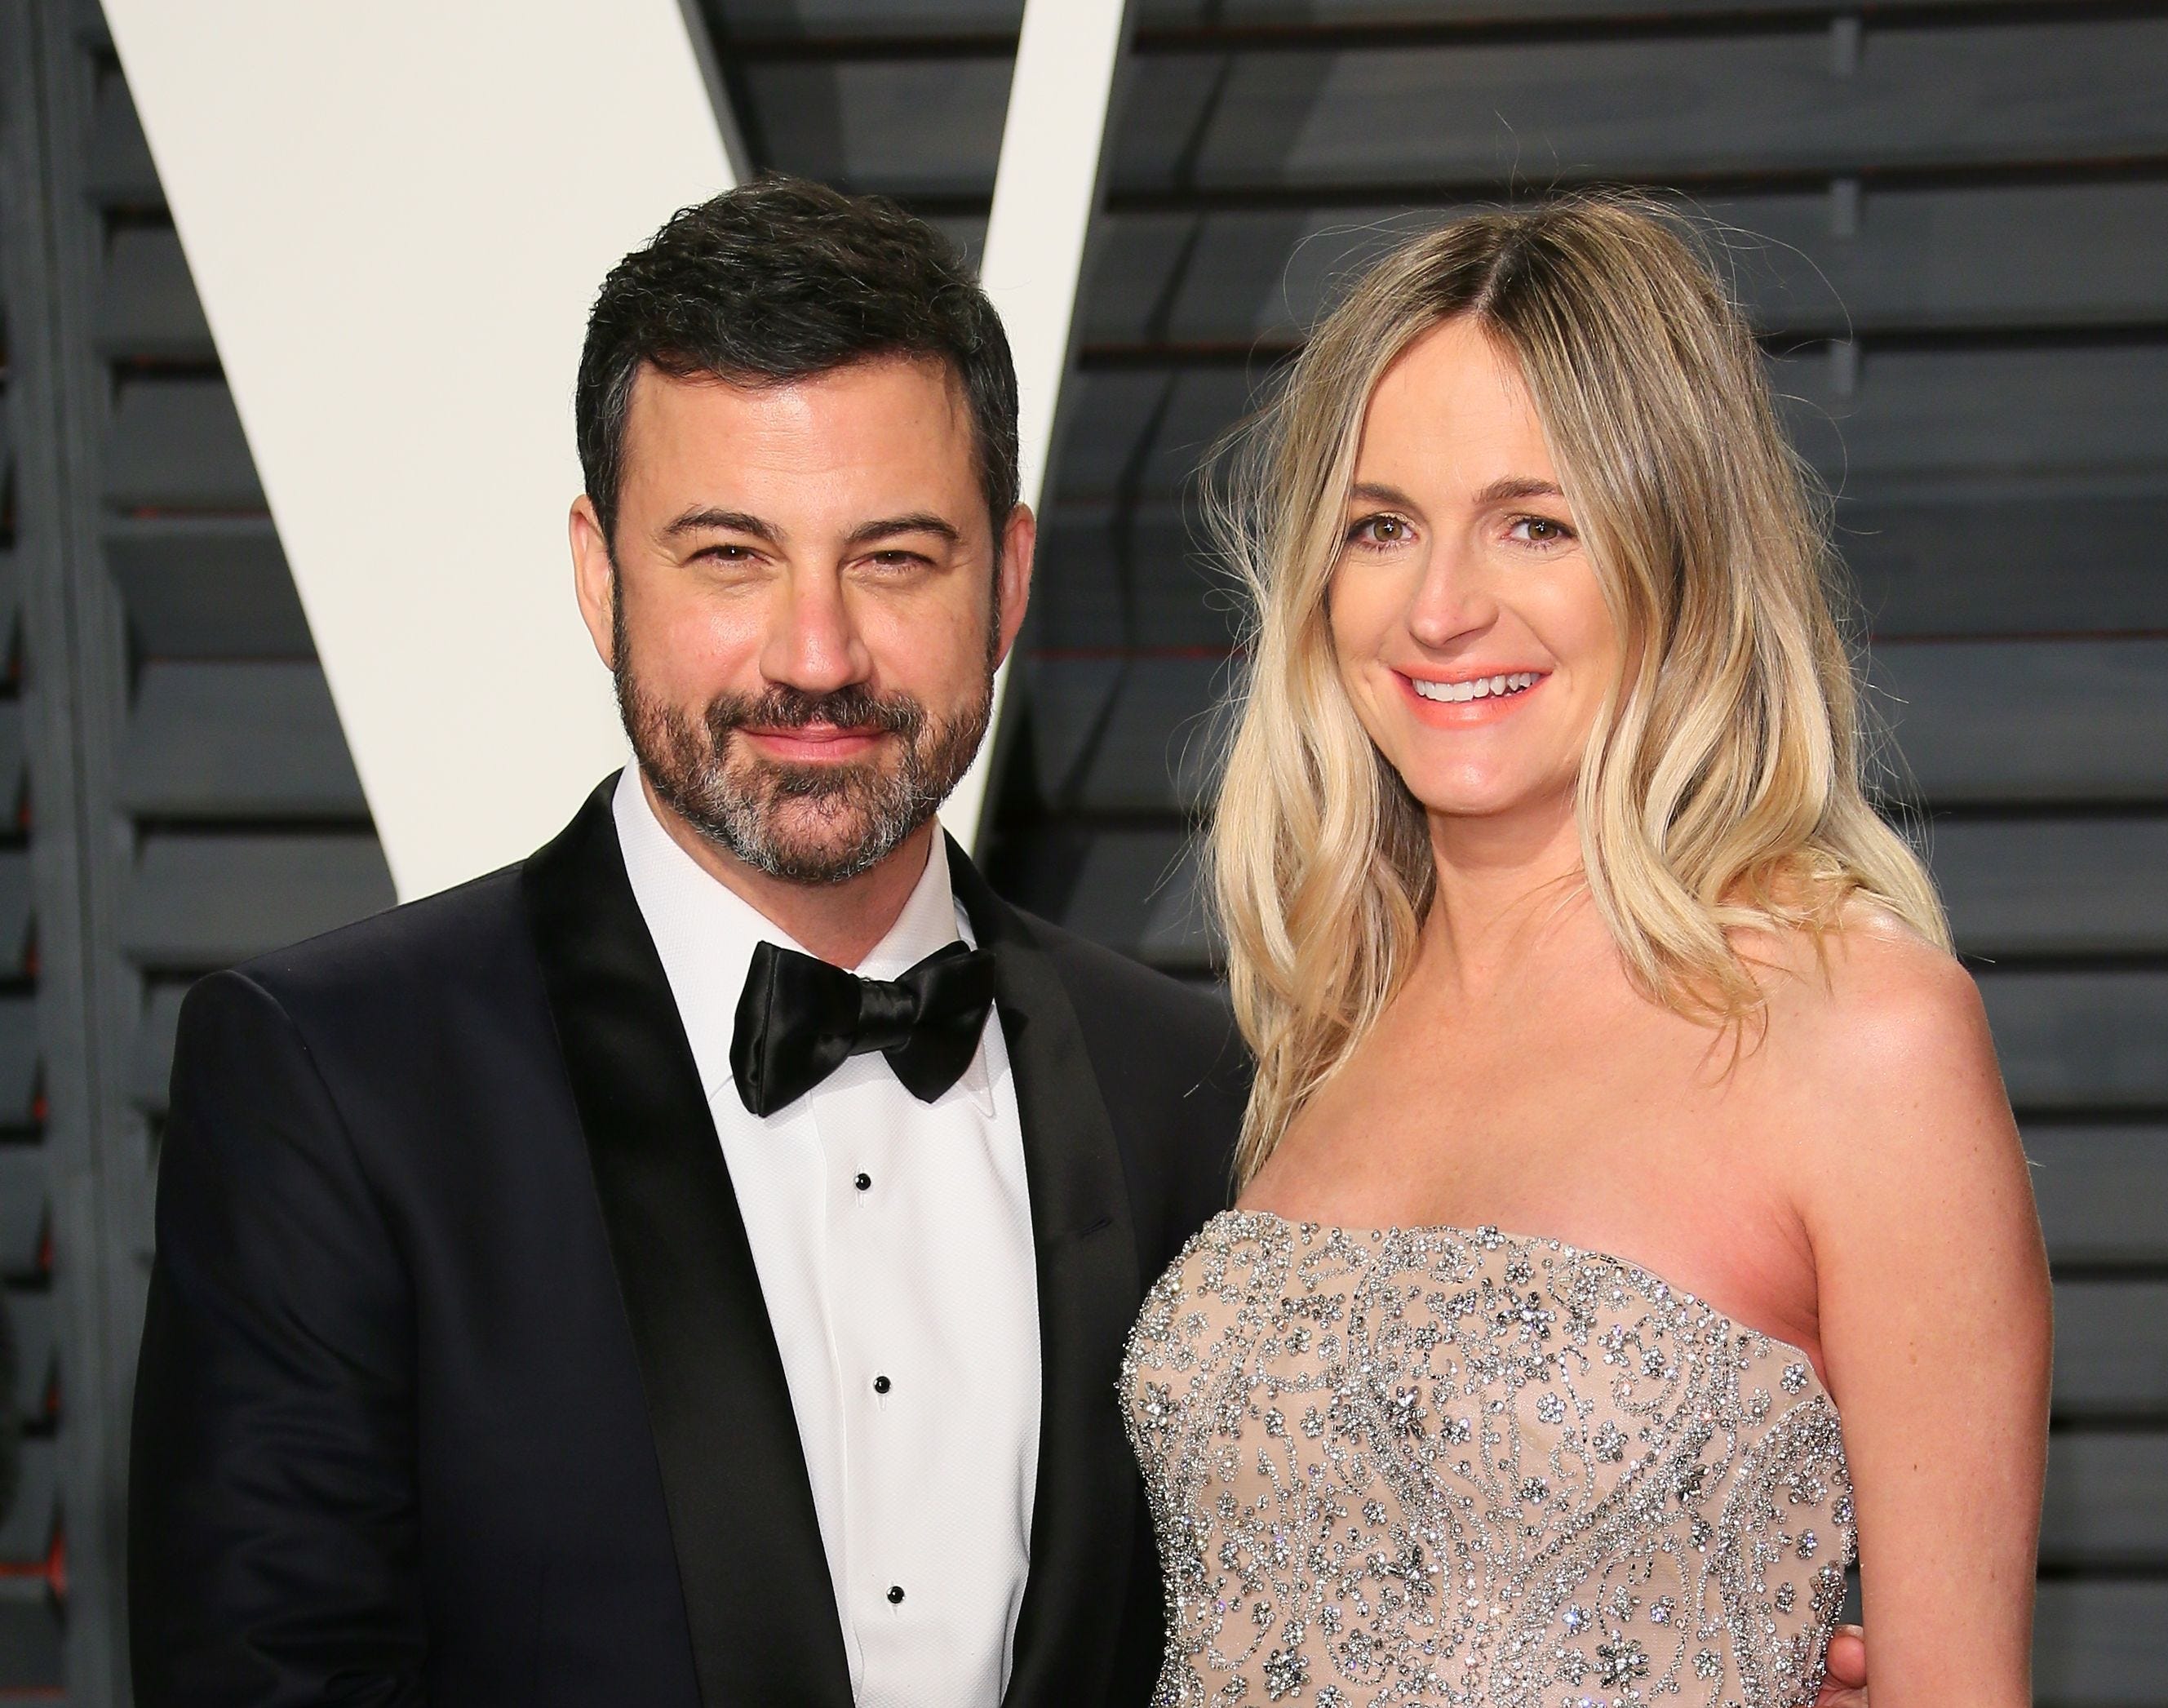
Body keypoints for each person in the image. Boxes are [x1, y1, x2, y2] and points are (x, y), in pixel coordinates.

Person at [126, 175, 1248, 1708]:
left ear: (1010, 577)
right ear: (600, 576)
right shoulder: (336, 1082)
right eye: (730, 555)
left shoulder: (1188, 1084)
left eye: (897, 557)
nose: (816, 654)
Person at [1122, 195, 2046, 1706]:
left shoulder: (1862, 1034)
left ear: (1677, 558)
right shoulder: (1331, 1015)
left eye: (1534, 523)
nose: (1440, 608)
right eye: (1382, 527)